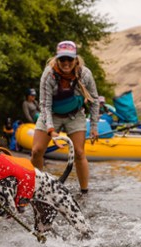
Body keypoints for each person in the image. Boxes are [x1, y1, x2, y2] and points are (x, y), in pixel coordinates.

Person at [31, 40, 99, 196]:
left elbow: (94, 100)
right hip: (51, 114)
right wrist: (50, 130)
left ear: (76, 59)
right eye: (62, 59)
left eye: (69, 59)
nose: (66, 63)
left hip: (74, 116)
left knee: (80, 153)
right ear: (57, 59)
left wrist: (94, 127)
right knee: (36, 151)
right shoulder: (48, 74)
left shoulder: (85, 74)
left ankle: (84, 192)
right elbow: (44, 105)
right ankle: (37, 187)